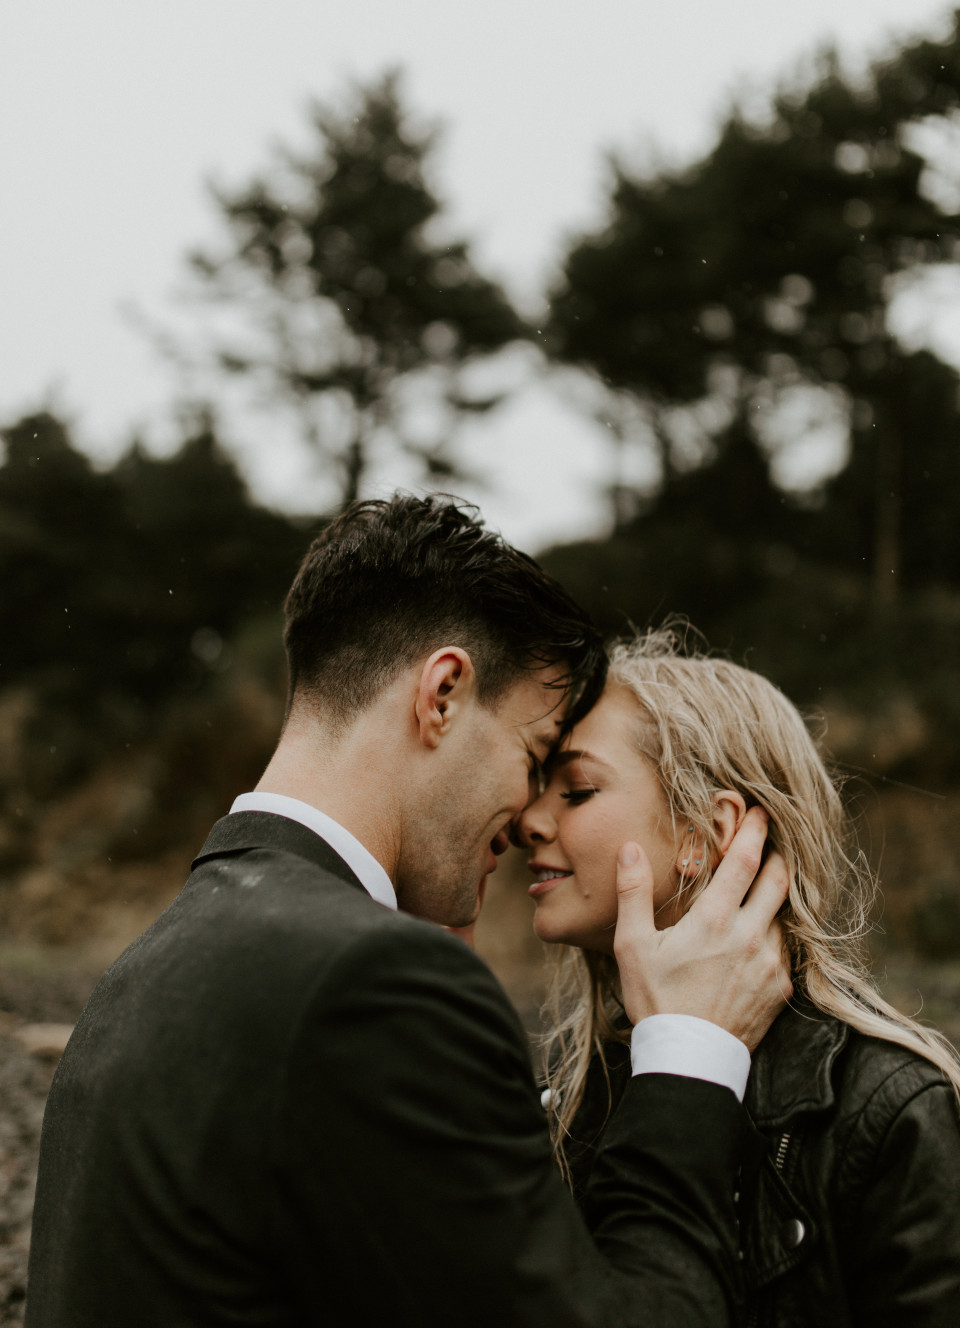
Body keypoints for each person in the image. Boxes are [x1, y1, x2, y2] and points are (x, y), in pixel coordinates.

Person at [27, 498, 790, 1328]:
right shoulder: (372, 982)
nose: (527, 816)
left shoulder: (149, 965)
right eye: (533, 758)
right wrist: (691, 1061)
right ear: (444, 694)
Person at [517, 628, 960, 1327]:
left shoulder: (887, 1110)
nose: (528, 820)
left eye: (575, 790)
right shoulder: (567, 1090)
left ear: (704, 830)